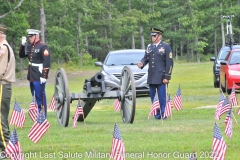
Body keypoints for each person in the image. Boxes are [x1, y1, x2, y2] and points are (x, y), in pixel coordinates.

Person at [137, 27, 173, 119]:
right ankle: (157, 114)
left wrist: (167, 77)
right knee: (153, 97)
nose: (153, 37)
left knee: (162, 96)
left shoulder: (165, 46)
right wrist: (141, 63)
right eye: (152, 36)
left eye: (154, 36)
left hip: (161, 76)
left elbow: (169, 63)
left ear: (159, 36)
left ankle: (163, 113)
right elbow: (146, 58)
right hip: (152, 75)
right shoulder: (150, 47)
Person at [19, 29, 50, 116]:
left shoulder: (43, 47)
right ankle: (37, 113)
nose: (30, 38)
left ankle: (42, 114)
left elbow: (46, 62)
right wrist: (23, 45)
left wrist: (44, 76)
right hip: (32, 74)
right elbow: (21, 55)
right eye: (29, 37)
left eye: (31, 36)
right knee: (34, 95)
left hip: (39, 75)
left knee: (40, 95)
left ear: (36, 36)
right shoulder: (29, 47)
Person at [0, 24, 15, 158]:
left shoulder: (3, 49)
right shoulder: (6, 47)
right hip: (4, 85)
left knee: (1, 119)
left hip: (2, 85)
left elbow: (1, 70)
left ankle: (7, 149)